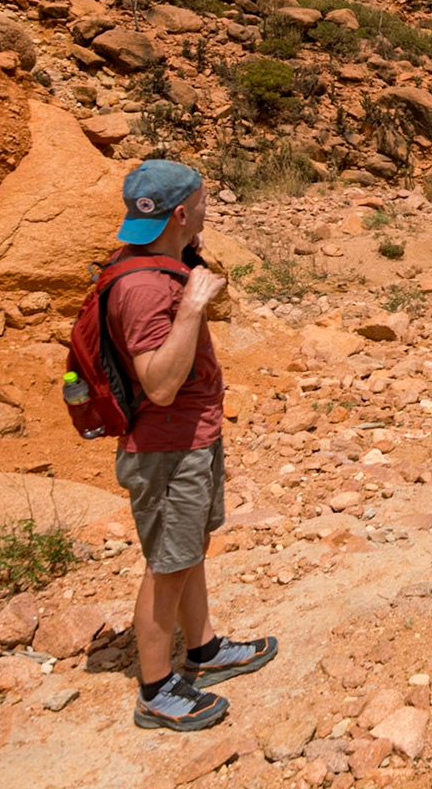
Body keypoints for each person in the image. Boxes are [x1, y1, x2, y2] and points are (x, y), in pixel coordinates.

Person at [107, 161, 277, 731]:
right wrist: (191, 305)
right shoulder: (141, 286)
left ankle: (203, 649)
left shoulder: (160, 266)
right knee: (166, 565)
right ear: (181, 212)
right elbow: (157, 383)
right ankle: (156, 690)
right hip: (165, 448)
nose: (209, 210)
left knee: (188, 551)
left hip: (190, 440)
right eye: (203, 203)